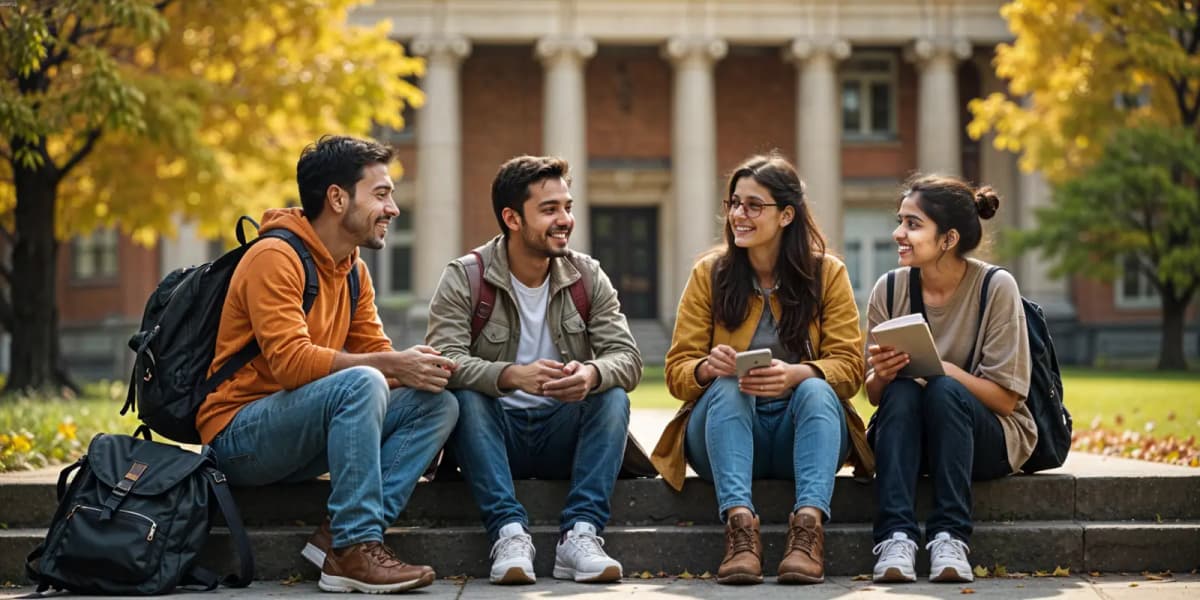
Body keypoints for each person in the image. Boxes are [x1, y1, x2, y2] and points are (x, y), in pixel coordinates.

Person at [197, 135, 460, 594]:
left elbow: (377, 356)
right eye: (381, 194)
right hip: (238, 436)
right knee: (361, 381)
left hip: (304, 428)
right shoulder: (274, 257)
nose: (393, 208)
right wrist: (390, 363)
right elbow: (292, 365)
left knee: (438, 405)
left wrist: (422, 370)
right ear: (337, 198)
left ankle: (337, 536)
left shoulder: (353, 271)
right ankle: (356, 547)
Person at [650, 153, 874, 585]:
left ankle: (807, 530)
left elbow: (850, 368)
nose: (739, 214)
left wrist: (799, 373)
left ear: (786, 214)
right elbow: (678, 371)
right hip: (726, 432)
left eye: (754, 205)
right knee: (730, 387)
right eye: (734, 203)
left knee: (816, 390)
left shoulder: (827, 274)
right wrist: (705, 369)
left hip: (802, 432)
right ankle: (739, 530)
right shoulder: (709, 274)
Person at [425, 155, 643, 585]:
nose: (565, 219)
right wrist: (509, 376)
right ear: (512, 218)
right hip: (493, 436)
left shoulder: (586, 275)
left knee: (612, 394)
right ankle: (508, 534)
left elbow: (627, 358)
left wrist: (591, 375)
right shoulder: (465, 277)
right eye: (549, 210)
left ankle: (580, 536)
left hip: (562, 431)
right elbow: (443, 362)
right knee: (466, 396)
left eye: (567, 206)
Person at [865, 174, 1032, 584]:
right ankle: (896, 537)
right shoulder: (888, 289)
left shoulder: (995, 287)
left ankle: (951, 537)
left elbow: (1007, 400)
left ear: (948, 239)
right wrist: (882, 377)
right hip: (912, 435)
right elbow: (873, 397)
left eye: (912, 224)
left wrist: (946, 369)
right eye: (900, 221)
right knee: (902, 389)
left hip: (987, 437)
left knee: (942, 389)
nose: (898, 233)